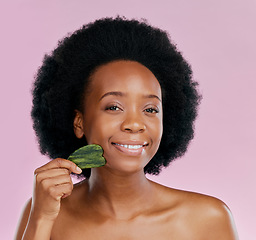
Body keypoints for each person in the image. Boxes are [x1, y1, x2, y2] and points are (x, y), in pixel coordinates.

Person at [15, 17, 239, 239]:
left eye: (150, 109)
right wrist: (42, 219)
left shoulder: (207, 220)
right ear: (79, 123)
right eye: (114, 107)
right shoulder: (45, 213)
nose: (134, 124)